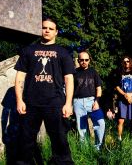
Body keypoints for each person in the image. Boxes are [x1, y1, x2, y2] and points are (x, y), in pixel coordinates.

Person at [14, 16, 75, 164]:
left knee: (60, 140)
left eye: (50, 28)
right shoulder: (28, 50)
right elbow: (19, 77)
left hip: (55, 103)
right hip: (30, 103)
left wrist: (68, 104)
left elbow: (69, 79)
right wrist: (19, 100)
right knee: (26, 141)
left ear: (56, 32)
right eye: (44, 27)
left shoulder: (63, 52)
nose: (47, 30)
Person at [73, 51, 105, 150]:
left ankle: (98, 148)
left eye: (86, 60)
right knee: (82, 128)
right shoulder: (74, 73)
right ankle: (85, 150)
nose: (84, 62)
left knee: (100, 123)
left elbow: (99, 88)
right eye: (81, 60)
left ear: (89, 60)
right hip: (77, 102)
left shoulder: (93, 72)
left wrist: (97, 101)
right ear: (78, 60)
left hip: (92, 101)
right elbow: (69, 89)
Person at [115, 56, 132, 142]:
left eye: (128, 61)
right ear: (122, 63)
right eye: (124, 62)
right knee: (120, 120)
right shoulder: (120, 74)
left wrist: (131, 94)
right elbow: (117, 87)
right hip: (122, 100)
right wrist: (125, 95)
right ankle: (119, 139)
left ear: (131, 62)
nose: (126, 63)